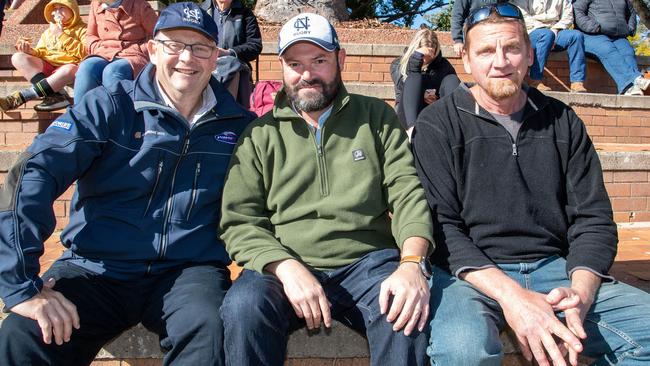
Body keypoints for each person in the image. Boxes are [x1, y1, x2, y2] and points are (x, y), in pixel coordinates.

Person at [0, 3, 254, 365]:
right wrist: (21, 286)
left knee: (213, 330)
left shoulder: (238, 125)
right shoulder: (108, 106)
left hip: (187, 271)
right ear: (151, 50)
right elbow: (34, 173)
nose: (187, 58)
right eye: (174, 44)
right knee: (24, 338)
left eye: (200, 47)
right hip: (96, 266)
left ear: (215, 57)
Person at [412, 3, 650, 365]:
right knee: (465, 352)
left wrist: (580, 294)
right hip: (471, 276)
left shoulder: (562, 121)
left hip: (555, 268)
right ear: (465, 58)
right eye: (486, 51)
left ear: (529, 53)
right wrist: (513, 298)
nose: (501, 61)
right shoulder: (437, 124)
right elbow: (442, 230)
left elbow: (594, 220)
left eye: (512, 48)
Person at [219, 12, 435, 366]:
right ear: (282, 68)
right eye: (294, 63)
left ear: (341, 59)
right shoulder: (260, 135)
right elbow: (239, 221)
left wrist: (412, 263)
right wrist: (285, 266)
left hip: (368, 262)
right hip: (283, 264)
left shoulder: (376, 118)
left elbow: (407, 193)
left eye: (318, 60)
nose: (307, 74)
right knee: (244, 307)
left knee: (405, 310)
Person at [0, 0, 85, 112]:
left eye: (62, 8)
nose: (57, 12)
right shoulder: (49, 32)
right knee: (18, 57)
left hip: (67, 70)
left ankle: (23, 96)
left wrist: (61, 35)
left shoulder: (83, 29)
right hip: (48, 67)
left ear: (73, 10)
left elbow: (85, 53)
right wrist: (30, 51)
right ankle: (54, 96)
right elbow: (42, 52)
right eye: (55, 9)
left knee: (70, 69)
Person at [72, 0, 158, 103]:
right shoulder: (96, 4)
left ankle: (119, 116)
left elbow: (158, 34)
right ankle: (80, 116)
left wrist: (141, 49)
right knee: (87, 67)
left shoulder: (138, 4)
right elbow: (90, 36)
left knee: (113, 71)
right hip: (105, 52)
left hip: (133, 55)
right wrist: (98, 48)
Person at [390, 28, 460, 135]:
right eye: (422, 55)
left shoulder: (444, 66)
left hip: (435, 112)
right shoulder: (398, 64)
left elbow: (450, 90)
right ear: (415, 49)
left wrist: (438, 99)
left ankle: (457, 129)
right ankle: (412, 133)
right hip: (408, 114)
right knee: (414, 78)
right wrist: (415, 62)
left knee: (451, 79)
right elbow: (404, 88)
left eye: (430, 57)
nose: (425, 60)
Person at [573, 0, 650, 96]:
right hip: (592, 35)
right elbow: (577, 10)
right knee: (608, 49)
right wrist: (594, 27)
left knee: (628, 52)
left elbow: (631, 12)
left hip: (618, 36)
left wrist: (630, 28)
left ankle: (632, 89)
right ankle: (635, 80)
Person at [512, 0, 587, 92]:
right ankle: (535, 80)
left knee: (576, 36)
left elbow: (568, 17)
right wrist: (547, 31)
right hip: (532, 31)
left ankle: (577, 82)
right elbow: (522, 16)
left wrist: (555, 30)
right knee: (546, 35)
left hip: (556, 30)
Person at [201, 0, 262, 107]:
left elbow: (255, 45)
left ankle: (227, 113)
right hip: (205, 65)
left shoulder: (245, 14)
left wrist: (229, 52)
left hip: (236, 69)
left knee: (231, 65)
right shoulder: (201, 12)